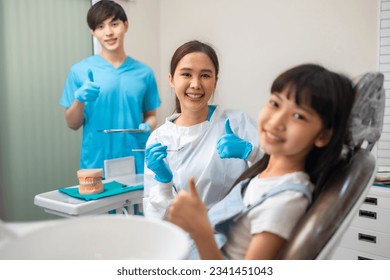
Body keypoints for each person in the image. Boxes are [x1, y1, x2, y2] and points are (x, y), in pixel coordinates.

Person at [167, 63, 356, 260]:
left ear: (323, 136)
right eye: (275, 104)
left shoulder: (285, 201)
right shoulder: (265, 176)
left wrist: (200, 230)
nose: (275, 122)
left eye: (298, 116)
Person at [143, 40, 262, 219]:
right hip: (184, 235)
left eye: (205, 75)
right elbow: (156, 218)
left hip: (231, 230)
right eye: (186, 74)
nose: (196, 84)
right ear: (171, 80)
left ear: (215, 81)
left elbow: (279, 172)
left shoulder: (237, 123)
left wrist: (252, 153)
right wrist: (163, 183)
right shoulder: (159, 139)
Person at [59, 0, 161, 174]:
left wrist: (148, 127)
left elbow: (151, 116)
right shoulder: (79, 71)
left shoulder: (144, 73)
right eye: (100, 27)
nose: (108, 32)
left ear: (125, 25)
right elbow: (72, 124)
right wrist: (79, 99)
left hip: (135, 162)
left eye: (114, 24)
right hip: (95, 165)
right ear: (93, 32)